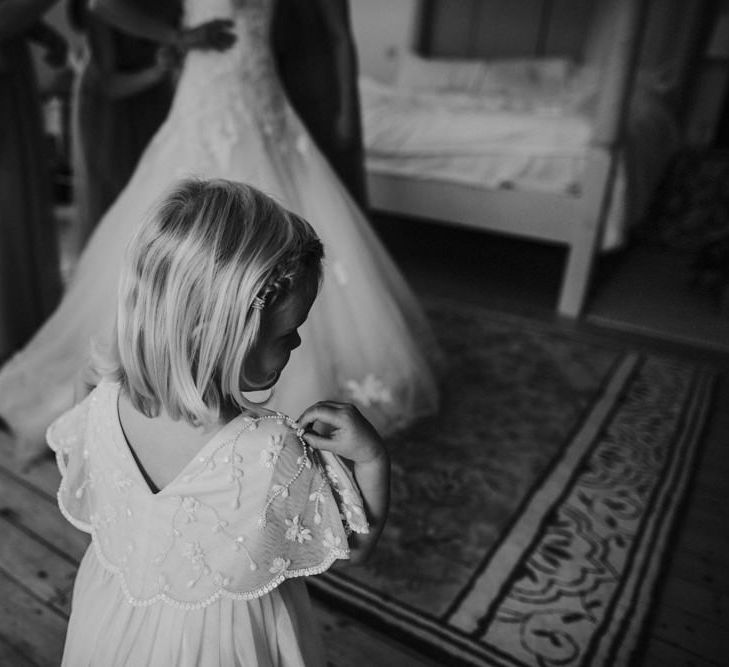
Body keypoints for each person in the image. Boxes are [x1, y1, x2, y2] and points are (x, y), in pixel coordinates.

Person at [0, 0, 440, 465]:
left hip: (265, 94)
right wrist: (176, 40)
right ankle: (185, 361)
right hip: (207, 96)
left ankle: (267, 347)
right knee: (200, 225)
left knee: (284, 219)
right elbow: (102, 4)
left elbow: (328, 33)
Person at [47, 179, 390, 666]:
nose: (297, 346)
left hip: (109, 630)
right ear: (225, 332)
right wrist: (373, 459)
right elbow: (355, 548)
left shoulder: (100, 401)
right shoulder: (272, 451)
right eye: (289, 332)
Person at [66, 0, 181, 251]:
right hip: (111, 115)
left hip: (154, 100)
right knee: (116, 205)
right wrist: (158, 71)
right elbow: (108, 85)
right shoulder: (101, 8)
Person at [0, 0, 64, 362]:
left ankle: (21, 321)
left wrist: (42, 30)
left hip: (12, 69)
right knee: (8, 200)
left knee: (16, 200)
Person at [271, 0, 368, 206]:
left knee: (329, 180)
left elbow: (341, 38)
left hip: (320, 95)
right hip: (278, 93)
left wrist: (346, 111)